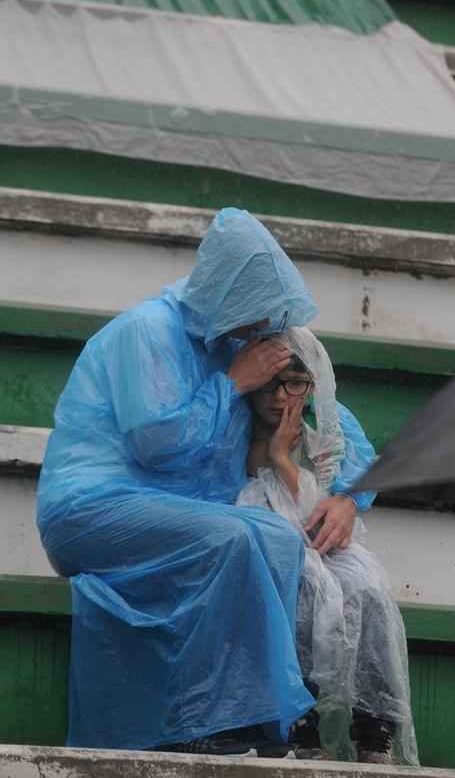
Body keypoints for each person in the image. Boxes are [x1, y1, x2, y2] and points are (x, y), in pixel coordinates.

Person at [36, 207, 369, 755]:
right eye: (255, 314)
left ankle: (265, 721)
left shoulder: (246, 340)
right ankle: (207, 723)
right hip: (92, 509)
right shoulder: (147, 331)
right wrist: (234, 384)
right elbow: (155, 442)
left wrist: (349, 495)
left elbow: (337, 421)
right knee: (238, 537)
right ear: (226, 295)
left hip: (193, 518)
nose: (264, 328)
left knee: (279, 537)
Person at [237, 327, 418, 765]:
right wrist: (278, 455)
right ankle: (302, 718)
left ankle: (374, 723)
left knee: (365, 586)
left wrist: (347, 500)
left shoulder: (328, 420)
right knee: (305, 591)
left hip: (318, 537)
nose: (282, 397)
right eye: (271, 383)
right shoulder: (233, 422)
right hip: (265, 539)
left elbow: (354, 474)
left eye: (296, 383)